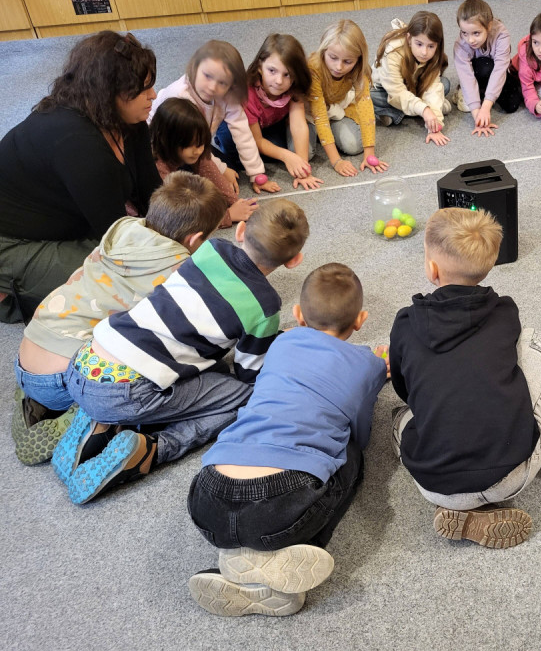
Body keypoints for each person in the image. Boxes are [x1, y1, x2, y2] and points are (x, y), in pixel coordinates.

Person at [53, 199, 309, 504]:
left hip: (86, 360)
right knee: (246, 397)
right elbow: (248, 372)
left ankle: (100, 423)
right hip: (125, 392)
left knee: (203, 367)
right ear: (294, 260)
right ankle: (153, 449)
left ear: (240, 230)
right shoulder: (265, 307)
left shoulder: (210, 249)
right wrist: (275, 342)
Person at [187, 263, 388, 617]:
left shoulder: (280, 343)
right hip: (284, 498)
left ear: (297, 315)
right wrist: (375, 372)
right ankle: (297, 548)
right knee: (352, 456)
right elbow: (361, 431)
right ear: (361, 320)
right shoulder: (366, 364)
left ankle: (237, 562)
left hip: (208, 497)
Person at [12, 171, 228, 465]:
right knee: (160, 379)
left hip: (28, 352)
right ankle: (86, 417)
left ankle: (33, 399)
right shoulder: (179, 269)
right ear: (195, 239)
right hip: (68, 380)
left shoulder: (122, 230)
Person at [388, 208, 541, 548]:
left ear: (432, 269)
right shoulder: (505, 311)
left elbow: (403, 389)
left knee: (401, 419)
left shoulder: (406, 323)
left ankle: (456, 507)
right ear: (490, 264)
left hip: (433, 483)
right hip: (513, 475)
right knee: (533, 341)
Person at [0, 31, 162, 324]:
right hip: (10, 242)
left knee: (151, 254)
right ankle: (8, 296)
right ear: (108, 92)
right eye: (142, 89)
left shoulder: (129, 121)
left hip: (65, 223)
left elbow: (153, 195)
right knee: (119, 279)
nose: (153, 95)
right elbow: (117, 242)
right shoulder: (78, 144)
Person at [150, 40, 280, 195]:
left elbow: (243, 134)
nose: (212, 87)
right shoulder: (181, 96)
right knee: (189, 186)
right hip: (165, 147)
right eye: (207, 76)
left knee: (230, 170)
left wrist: (256, 174)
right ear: (195, 68)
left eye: (222, 83)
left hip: (195, 143)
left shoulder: (228, 96)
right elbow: (181, 146)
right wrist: (221, 170)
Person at [216, 34, 323, 190]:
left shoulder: (294, 87)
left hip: (266, 124)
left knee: (284, 148)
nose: (279, 81)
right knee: (235, 151)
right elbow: (256, 140)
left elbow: (299, 125)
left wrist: (303, 168)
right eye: (272, 71)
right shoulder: (247, 94)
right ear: (260, 66)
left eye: (287, 74)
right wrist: (286, 156)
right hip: (237, 127)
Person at [151, 97, 258, 228]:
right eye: (191, 145)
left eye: (201, 144)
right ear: (169, 141)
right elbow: (178, 219)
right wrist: (227, 216)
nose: (199, 150)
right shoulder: (157, 168)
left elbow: (211, 172)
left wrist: (235, 202)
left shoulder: (195, 150)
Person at [308, 19, 387, 178]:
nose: (339, 67)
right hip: (309, 113)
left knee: (353, 146)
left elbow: (366, 109)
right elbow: (319, 115)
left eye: (348, 61)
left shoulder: (360, 70)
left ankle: (324, 136)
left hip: (336, 109)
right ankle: (319, 135)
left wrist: (369, 154)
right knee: (306, 154)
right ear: (323, 51)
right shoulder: (313, 68)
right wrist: (336, 161)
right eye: (333, 58)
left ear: (358, 59)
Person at [370, 12, 452, 146]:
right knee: (367, 97)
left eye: (431, 46)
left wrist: (435, 125)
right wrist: (425, 110)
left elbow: (433, 88)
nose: (424, 52)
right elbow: (397, 93)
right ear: (409, 39)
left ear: (438, 44)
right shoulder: (392, 52)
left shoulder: (434, 55)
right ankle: (420, 107)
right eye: (419, 44)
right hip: (386, 90)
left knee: (444, 84)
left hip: (413, 85)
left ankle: (397, 113)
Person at [452, 0, 520, 136]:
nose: (470, 40)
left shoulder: (501, 35)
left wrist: (487, 105)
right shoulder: (461, 45)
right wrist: (478, 114)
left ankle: (484, 94)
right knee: (485, 67)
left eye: (476, 33)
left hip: (496, 71)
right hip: (477, 72)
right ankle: (469, 93)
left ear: (488, 26)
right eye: (464, 33)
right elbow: (466, 76)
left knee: (512, 106)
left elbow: (500, 69)